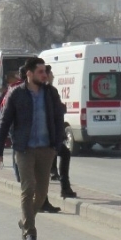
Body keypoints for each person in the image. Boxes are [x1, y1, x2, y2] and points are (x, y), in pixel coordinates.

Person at [0, 57, 64, 240]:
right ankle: (30, 233)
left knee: (41, 194)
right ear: (29, 73)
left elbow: (59, 120)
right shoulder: (16, 94)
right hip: (24, 149)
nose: (45, 75)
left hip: (46, 149)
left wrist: (57, 145)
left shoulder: (51, 93)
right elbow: (5, 123)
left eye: (45, 71)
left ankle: (24, 220)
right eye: (40, 71)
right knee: (28, 187)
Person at [46, 65, 76, 201]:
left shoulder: (45, 90)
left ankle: (63, 186)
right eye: (50, 73)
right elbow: (56, 110)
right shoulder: (49, 91)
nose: (53, 75)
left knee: (59, 155)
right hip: (51, 132)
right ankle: (64, 187)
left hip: (51, 132)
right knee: (63, 154)